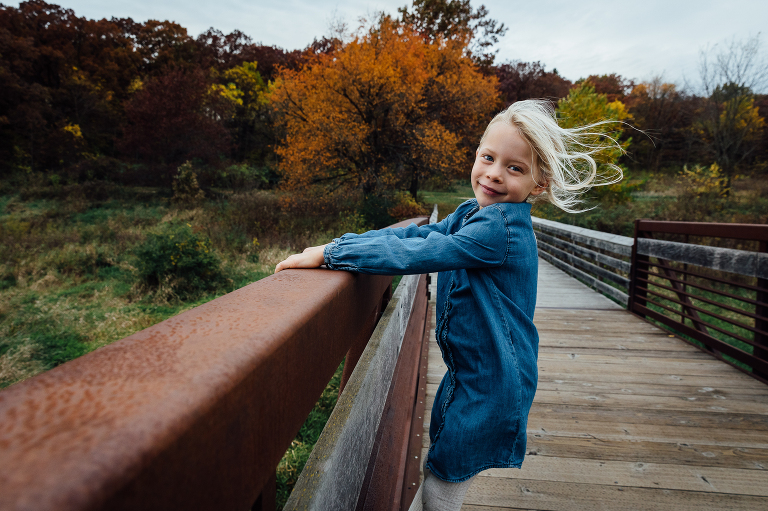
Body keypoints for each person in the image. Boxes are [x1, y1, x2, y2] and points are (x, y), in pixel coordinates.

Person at [275, 99, 623, 510]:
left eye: (515, 168)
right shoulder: (471, 213)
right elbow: (420, 238)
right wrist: (337, 247)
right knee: (442, 465)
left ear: (539, 184)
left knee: (445, 477)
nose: (494, 174)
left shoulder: (500, 229)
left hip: (492, 382)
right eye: (488, 157)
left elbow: (416, 256)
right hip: (472, 372)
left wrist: (331, 253)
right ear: (476, 154)